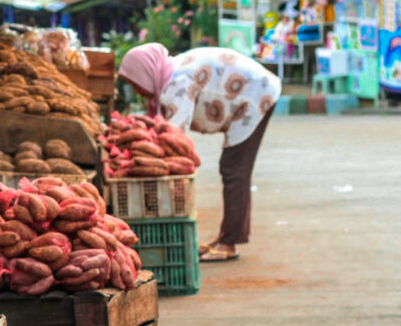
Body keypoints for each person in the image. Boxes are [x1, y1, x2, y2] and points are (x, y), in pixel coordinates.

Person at [118, 43, 281, 262]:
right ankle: (225, 238)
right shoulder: (170, 73)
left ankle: (229, 243)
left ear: (147, 73)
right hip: (250, 92)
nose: (137, 91)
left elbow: (173, 137)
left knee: (234, 169)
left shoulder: (178, 83)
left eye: (136, 83)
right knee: (232, 168)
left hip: (257, 95)